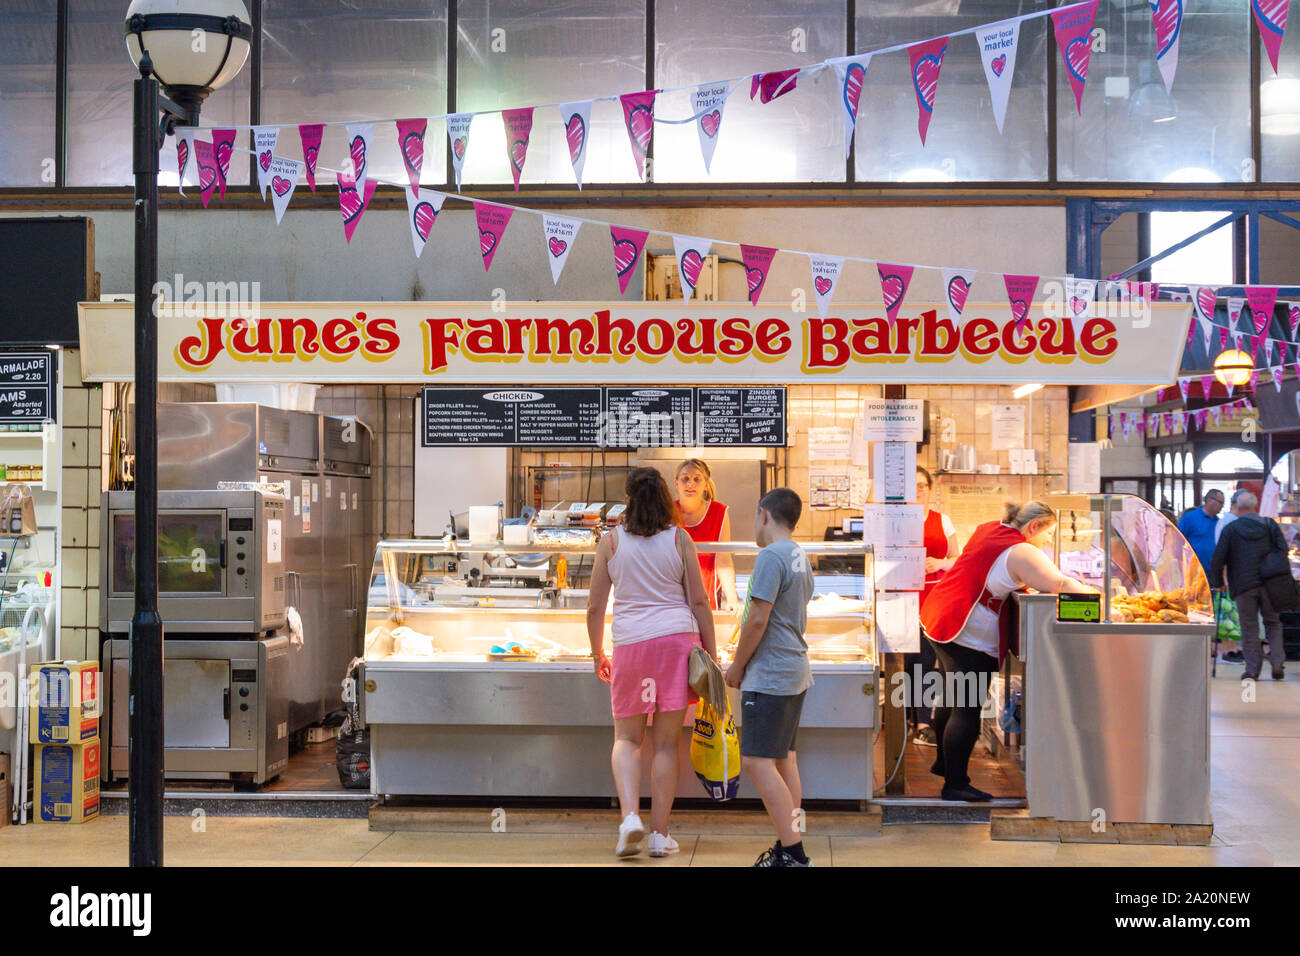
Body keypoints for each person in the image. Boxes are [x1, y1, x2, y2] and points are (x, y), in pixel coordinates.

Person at [920, 500, 1097, 802]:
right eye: (1047, 534)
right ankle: (955, 784)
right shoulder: (1022, 551)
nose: (1047, 541)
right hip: (968, 632)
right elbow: (1057, 583)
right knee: (966, 710)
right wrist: (1097, 596)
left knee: (951, 697)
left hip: (943, 616)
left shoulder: (991, 528)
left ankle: (943, 763)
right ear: (1034, 527)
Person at [587, 467, 718, 858]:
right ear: (666, 497)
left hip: (631, 646)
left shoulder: (611, 542)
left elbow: (595, 606)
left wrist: (598, 654)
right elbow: (699, 602)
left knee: (627, 740)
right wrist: (710, 653)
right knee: (665, 744)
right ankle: (660, 835)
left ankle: (630, 819)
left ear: (629, 500)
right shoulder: (680, 539)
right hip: (675, 645)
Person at [724, 488, 815, 867]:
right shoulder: (798, 554)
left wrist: (737, 665)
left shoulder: (770, 556)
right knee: (784, 760)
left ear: (763, 514)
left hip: (771, 674)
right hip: (794, 670)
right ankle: (788, 843)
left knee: (758, 762)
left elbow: (757, 618)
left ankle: (794, 855)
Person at [908, 466, 961, 747]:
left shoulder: (943, 521)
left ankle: (923, 722)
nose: (917, 490)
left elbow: (958, 559)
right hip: (902, 598)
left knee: (926, 662)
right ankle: (907, 716)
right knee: (904, 662)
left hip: (933, 601)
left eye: (922, 485)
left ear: (929, 489)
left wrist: (940, 563)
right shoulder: (897, 520)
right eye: (912, 485)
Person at [1209, 491, 1288, 681]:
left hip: (1243, 585)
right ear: (1256, 505)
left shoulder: (1232, 528)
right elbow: (1283, 550)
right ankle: (1277, 663)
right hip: (1270, 584)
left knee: (1249, 627)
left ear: (1238, 506)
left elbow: (1218, 558)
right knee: (1273, 623)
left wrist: (1218, 583)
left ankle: (1252, 670)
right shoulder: (1270, 525)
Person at [674, 458, 740, 611]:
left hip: (707, 595)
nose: (690, 483)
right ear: (676, 483)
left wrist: (732, 598)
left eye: (697, 479)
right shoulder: (666, 511)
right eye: (685, 478)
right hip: (672, 595)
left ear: (706, 484)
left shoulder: (719, 512)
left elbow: (723, 559)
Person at [1178, 489, 1225, 579]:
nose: (1222, 506)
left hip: (1212, 573)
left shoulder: (1219, 522)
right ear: (1209, 500)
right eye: (1220, 502)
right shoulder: (1190, 518)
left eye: (1222, 504)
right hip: (1192, 572)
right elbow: (1178, 541)